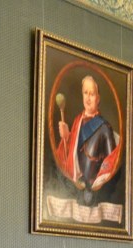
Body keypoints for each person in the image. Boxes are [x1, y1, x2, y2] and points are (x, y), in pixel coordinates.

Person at [56, 75, 121, 206]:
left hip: (97, 191)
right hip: (77, 187)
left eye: (92, 94)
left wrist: (98, 184)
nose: (88, 98)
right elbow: (71, 155)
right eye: (85, 93)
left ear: (98, 98)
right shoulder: (77, 121)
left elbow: (111, 165)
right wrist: (66, 137)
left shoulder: (105, 127)